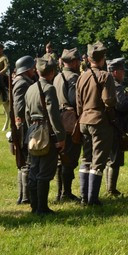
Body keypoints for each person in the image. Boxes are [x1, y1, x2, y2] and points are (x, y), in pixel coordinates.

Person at [75, 42, 116, 206]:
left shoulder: (81, 76)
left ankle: (84, 197)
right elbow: (109, 100)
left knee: (86, 158)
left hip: (83, 120)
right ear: (102, 59)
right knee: (98, 161)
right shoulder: (105, 76)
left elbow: (78, 103)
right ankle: (92, 199)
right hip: (99, 121)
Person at [24, 57, 66, 215]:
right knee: (46, 171)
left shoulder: (31, 88)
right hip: (47, 131)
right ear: (52, 72)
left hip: (33, 131)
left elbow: (27, 113)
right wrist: (60, 137)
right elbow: (54, 115)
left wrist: (31, 131)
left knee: (34, 169)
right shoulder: (49, 88)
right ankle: (42, 208)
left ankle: (35, 206)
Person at [52, 48, 83, 202]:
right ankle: (66, 193)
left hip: (58, 118)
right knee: (70, 158)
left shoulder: (57, 77)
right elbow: (73, 100)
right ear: (74, 62)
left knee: (61, 158)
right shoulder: (73, 78)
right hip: (69, 121)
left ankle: (60, 192)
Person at [11, 55, 37, 205]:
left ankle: (23, 196)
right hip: (24, 127)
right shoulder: (22, 83)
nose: (34, 70)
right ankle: (25, 196)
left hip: (23, 126)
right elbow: (20, 108)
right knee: (26, 162)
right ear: (27, 69)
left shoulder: (24, 81)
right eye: (32, 68)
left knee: (24, 163)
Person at [107, 58, 128, 197]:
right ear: (115, 72)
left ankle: (110, 187)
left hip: (111, 125)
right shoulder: (116, 86)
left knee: (109, 159)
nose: (124, 74)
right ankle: (111, 189)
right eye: (122, 71)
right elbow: (122, 106)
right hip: (116, 125)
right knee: (114, 159)